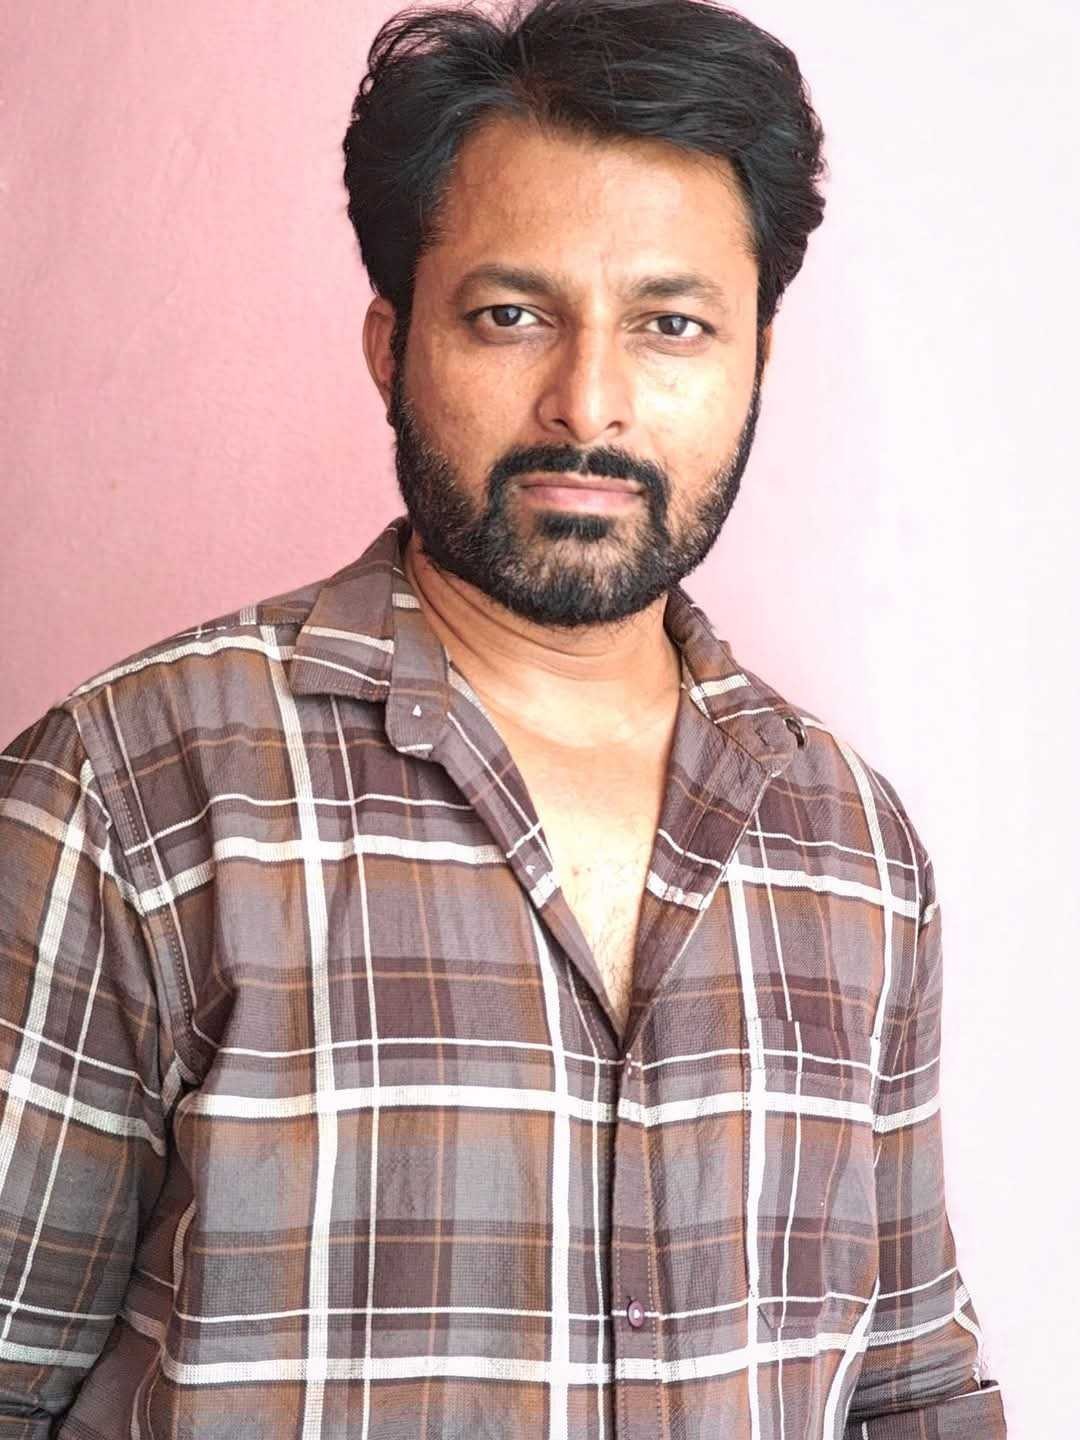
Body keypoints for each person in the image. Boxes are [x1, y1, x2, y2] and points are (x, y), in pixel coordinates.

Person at [0, 0, 1007, 1435]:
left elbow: (912, 1389)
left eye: (671, 324)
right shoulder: (124, 794)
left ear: (757, 360)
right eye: (511, 315)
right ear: (391, 343)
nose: (588, 405)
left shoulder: (854, 845)